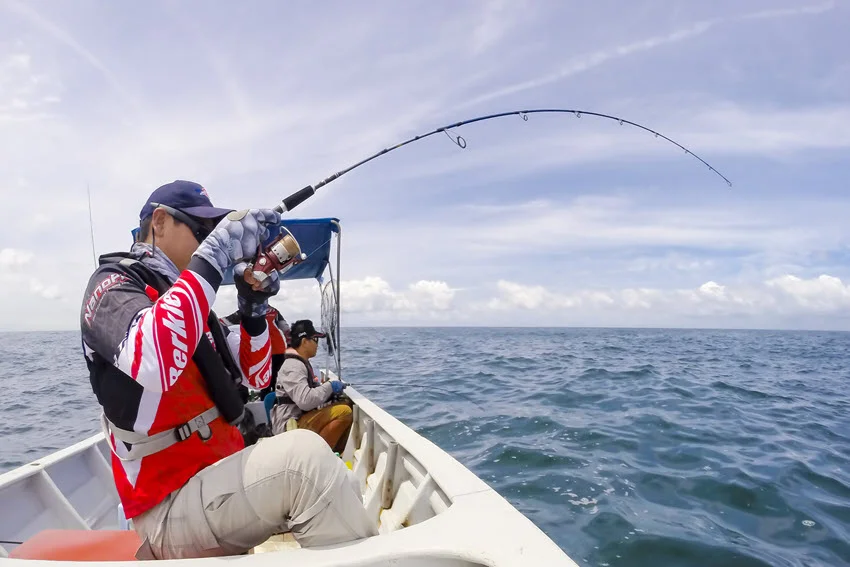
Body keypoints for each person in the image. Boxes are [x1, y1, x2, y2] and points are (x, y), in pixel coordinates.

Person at [80, 180, 375, 559]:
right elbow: (153, 359)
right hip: (168, 505)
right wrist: (215, 255)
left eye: (212, 235)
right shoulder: (112, 286)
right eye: (201, 231)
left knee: (342, 479)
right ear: (160, 222)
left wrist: (252, 308)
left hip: (214, 477)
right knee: (304, 462)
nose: (207, 241)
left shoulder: (192, 310)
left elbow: (254, 376)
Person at [270, 320, 352, 452]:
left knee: (345, 404)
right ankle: (318, 456)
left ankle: (327, 452)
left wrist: (328, 391)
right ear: (304, 341)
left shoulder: (300, 363)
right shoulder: (293, 366)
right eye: (315, 340)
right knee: (344, 412)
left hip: (298, 417)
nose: (317, 345)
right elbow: (306, 401)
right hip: (290, 425)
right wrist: (330, 386)